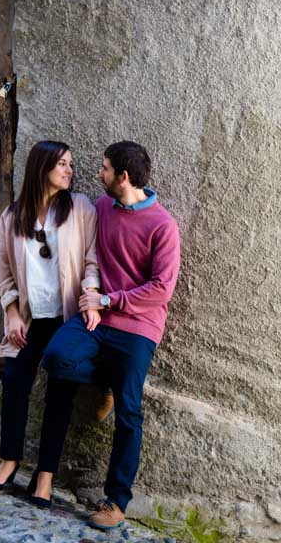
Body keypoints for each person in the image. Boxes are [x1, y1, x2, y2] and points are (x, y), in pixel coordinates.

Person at [40, 140, 181, 530]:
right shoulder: (102, 208)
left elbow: (160, 290)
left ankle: (116, 502)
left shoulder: (162, 225)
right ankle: (106, 381)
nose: (96, 173)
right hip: (98, 320)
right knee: (56, 358)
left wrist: (108, 298)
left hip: (138, 328)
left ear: (122, 176)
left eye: (104, 168)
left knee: (130, 412)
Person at [0, 140, 102, 509]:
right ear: (42, 168)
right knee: (15, 383)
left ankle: (46, 476)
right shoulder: (12, 216)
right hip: (30, 319)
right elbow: (5, 275)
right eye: (62, 164)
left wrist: (92, 296)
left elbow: (92, 260)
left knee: (60, 396)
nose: (69, 170)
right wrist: (12, 313)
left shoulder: (80, 208)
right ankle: (9, 461)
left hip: (67, 319)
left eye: (71, 164)